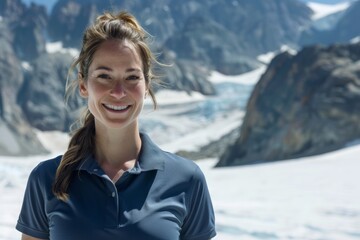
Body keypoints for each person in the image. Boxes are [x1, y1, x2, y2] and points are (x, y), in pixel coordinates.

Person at [16, 11, 216, 240]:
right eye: (104, 76)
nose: (119, 92)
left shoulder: (187, 179)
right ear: (83, 84)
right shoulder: (46, 178)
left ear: (147, 85)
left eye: (132, 77)